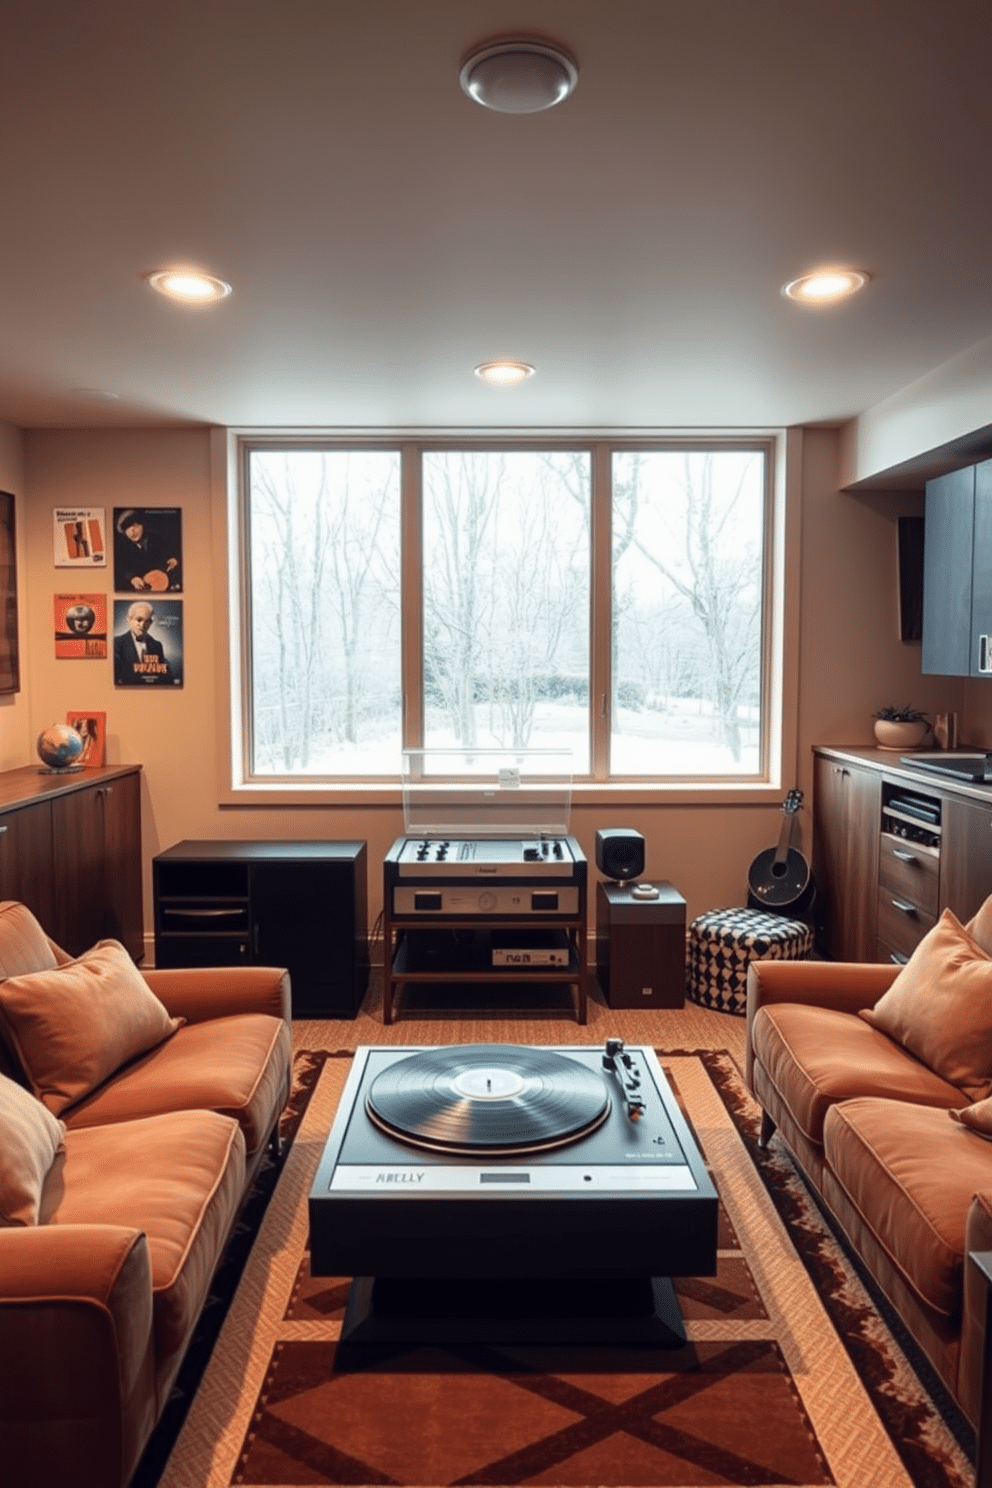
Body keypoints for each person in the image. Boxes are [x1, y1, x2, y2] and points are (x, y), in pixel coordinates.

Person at [114, 509, 181, 591]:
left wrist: (173, 559)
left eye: (135, 525)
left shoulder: (158, 539)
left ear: (142, 525)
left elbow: (172, 553)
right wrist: (132, 578)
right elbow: (120, 569)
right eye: (127, 528)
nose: (132, 531)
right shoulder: (122, 548)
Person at [113, 601, 169, 684]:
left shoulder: (157, 646)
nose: (143, 625)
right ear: (129, 620)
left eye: (147, 621)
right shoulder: (117, 643)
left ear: (151, 623)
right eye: (139, 620)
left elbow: (164, 677)